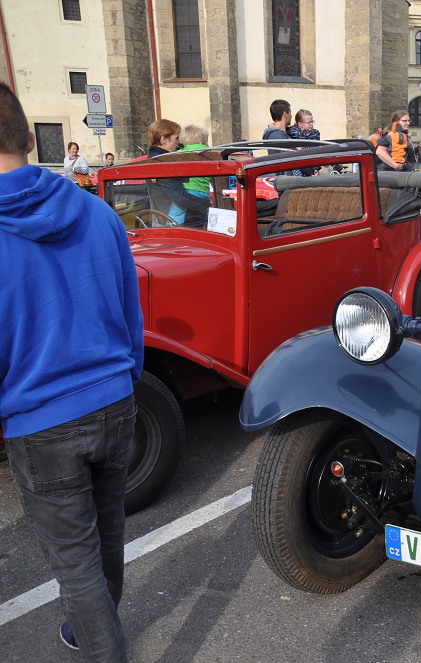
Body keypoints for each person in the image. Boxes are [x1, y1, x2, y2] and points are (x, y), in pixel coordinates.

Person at [0, 82, 142, 662]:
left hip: (40, 416)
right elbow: (130, 310)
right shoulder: (96, 210)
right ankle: (88, 631)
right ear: (31, 141)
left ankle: (101, 645)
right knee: (108, 534)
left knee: (75, 562)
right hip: (113, 396)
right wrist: (128, 378)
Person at [168, 124, 211, 226]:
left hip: (188, 191)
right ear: (201, 142)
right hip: (205, 192)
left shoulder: (181, 154)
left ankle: (173, 227)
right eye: (206, 141)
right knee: (206, 211)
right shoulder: (209, 154)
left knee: (176, 212)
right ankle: (207, 222)